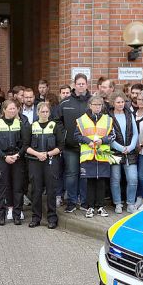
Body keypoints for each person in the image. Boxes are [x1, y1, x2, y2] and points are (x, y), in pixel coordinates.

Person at [25, 101, 63, 229]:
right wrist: (38, 154)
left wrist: (46, 154)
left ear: (49, 113)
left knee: (51, 190)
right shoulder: (32, 126)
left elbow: (60, 146)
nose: (45, 114)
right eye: (42, 111)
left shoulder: (55, 126)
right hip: (35, 162)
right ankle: (36, 218)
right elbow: (25, 146)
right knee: (36, 190)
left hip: (51, 162)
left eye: (47, 112)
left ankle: (52, 218)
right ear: (38, 112)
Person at [76, 95, 114, 219]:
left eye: (99, 105)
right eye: (95, 105)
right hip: (89, 156)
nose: (97, 107)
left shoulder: (108, 119)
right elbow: (76, 136)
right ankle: (90, 207)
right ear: (90, 105)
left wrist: (102, 141)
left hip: (102, 156)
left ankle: (101, 207)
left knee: (101, 182)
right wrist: (88, 141)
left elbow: (113, 136)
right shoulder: (82, 119)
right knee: (90, 182)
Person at [58, 73, 91, 213]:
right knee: (71, 175)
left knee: (85, 175)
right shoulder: (65, 102)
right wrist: (64, 136)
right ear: (74, 85)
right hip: (70, 147)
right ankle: (71, 202)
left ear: (87, 85)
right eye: (79, 84)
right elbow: (57, 121)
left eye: (83, 83)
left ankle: (84, 202)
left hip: (88, 146)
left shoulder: (92, 102)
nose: (81, 86)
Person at [0, 99, 26, 226]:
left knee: (17, 188)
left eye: (14, 108)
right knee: (1, 188)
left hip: (17, 159)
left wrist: (18, 155)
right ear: (4, 110)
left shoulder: (20, 123)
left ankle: (17, 215)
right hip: (2, 159)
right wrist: (4, 156)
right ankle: (1, 215)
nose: (13, 110)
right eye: (10, 108)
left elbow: (25, 143)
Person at [108, 93, 137, 214]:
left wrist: (130, 147)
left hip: (129, 152)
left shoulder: (129, 114)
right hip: (115, 152)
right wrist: (120, 148)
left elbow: (135, 133)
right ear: (113, 103)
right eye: (118, 102)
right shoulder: (108, 117)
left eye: (122, 102)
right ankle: (118, 203)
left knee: (133, 179)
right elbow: (108, 136)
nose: (121, 104)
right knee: (115, 179)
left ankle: (130, 203)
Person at [132, 91, 143, 208]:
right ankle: (138, 197)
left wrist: (141, 145)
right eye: (139, 99)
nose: (140, 102)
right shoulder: (133, 113)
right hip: (134, 149)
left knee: (141, 175)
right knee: (135, 176)